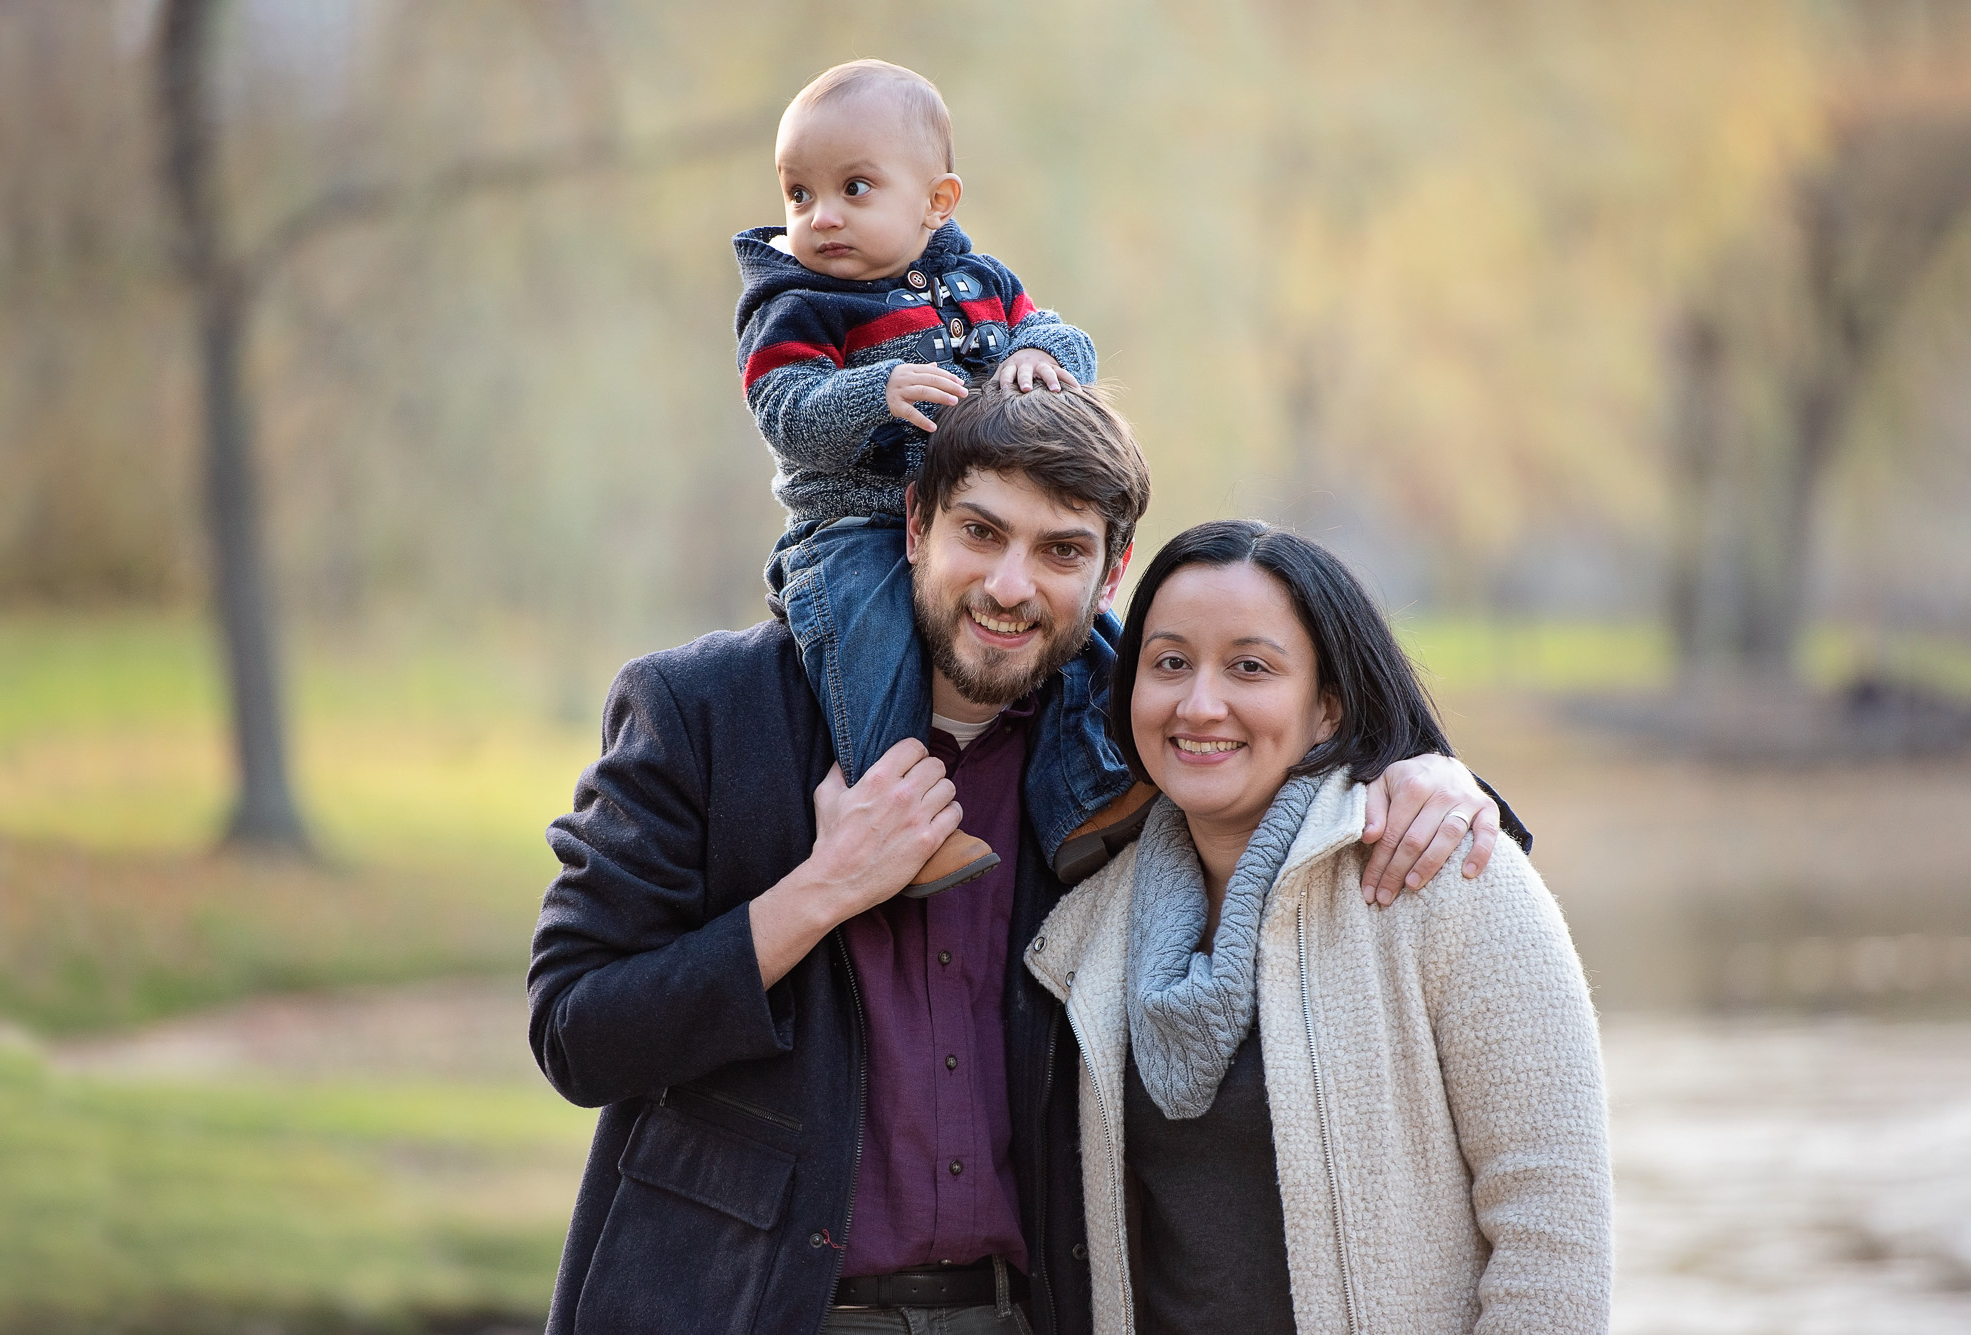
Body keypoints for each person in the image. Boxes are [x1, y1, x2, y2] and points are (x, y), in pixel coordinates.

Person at [529, 382, 1522, 1335]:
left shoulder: (1128, 749)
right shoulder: (710, 711)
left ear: (1110, 571)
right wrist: (824, 889)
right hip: (745, 1307)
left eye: (1059, 550)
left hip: (1021, 1313)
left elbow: (1312, 772)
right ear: (916, 524)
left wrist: (1425, 775)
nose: (1010, 586)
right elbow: (577, 1032)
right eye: (980, 533)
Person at [1025, 520, 1613, 1335]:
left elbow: (1555, 1242)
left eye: (1250, 667)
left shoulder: (1447, 881)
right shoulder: (1086, 930)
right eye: (1169, 663)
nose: (1200, 702)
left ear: (1327, 703)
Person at [734, 58, 1142, 896]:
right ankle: (896, 819)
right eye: (799, 194)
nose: (821, 218)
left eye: (854, 188)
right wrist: (871, 391)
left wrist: (1032, 351)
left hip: (965, 513)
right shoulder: (799, 304)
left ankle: (1090, 797)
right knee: (871, 639)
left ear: (936, 202)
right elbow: (784, 408)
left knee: (1092, 641)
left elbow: (1072, 346)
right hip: (848, 528)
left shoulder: (980, 283)